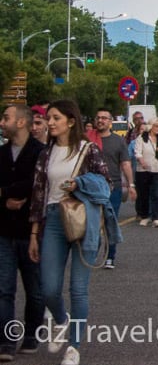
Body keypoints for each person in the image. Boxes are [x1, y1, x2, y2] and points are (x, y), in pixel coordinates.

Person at [29, 100, 114, 364]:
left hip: (82, 219)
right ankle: (61, 318)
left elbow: (106, 184)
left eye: (55, 118)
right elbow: (38, 194)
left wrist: (79, 182)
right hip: (52, 219)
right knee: (48, 287)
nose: (50, 123)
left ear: (71, 121)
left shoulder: (88, 150)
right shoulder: (45, 154)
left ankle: (74, 347)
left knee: (78, 288)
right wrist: (34, 233)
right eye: (49, 118)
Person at [0, 103, 45, 359]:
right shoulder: (2, 153)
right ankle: (5, 342)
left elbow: (38, 185)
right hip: (4, 229)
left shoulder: (41, 153)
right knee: (4, 289)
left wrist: (9, 191)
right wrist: (5, 197)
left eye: (6, 117)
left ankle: (31, 335)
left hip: (32, 231)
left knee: (35, 290)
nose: (1, 122)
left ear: (20, 122)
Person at [91, 109, 134, 270]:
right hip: (91, 188)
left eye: (104, 118)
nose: (100, 120)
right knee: (92, 222)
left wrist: (131, 185)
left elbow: (125, 164)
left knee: (111, 221)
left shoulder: (118, 141)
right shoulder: (88, 139)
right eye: (98, 117)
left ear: (110, 122)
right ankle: (92, 252)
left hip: (112, 187)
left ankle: (110, 256)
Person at [134, 119, 158, 227]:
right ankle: (145, 216)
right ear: (151, 126)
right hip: (143, 170)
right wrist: (142, 161)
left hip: (157, 169)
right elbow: (137, 152)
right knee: (144, 194)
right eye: (156, 126)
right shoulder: (141, 138)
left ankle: (156, 217)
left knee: (156, 194)